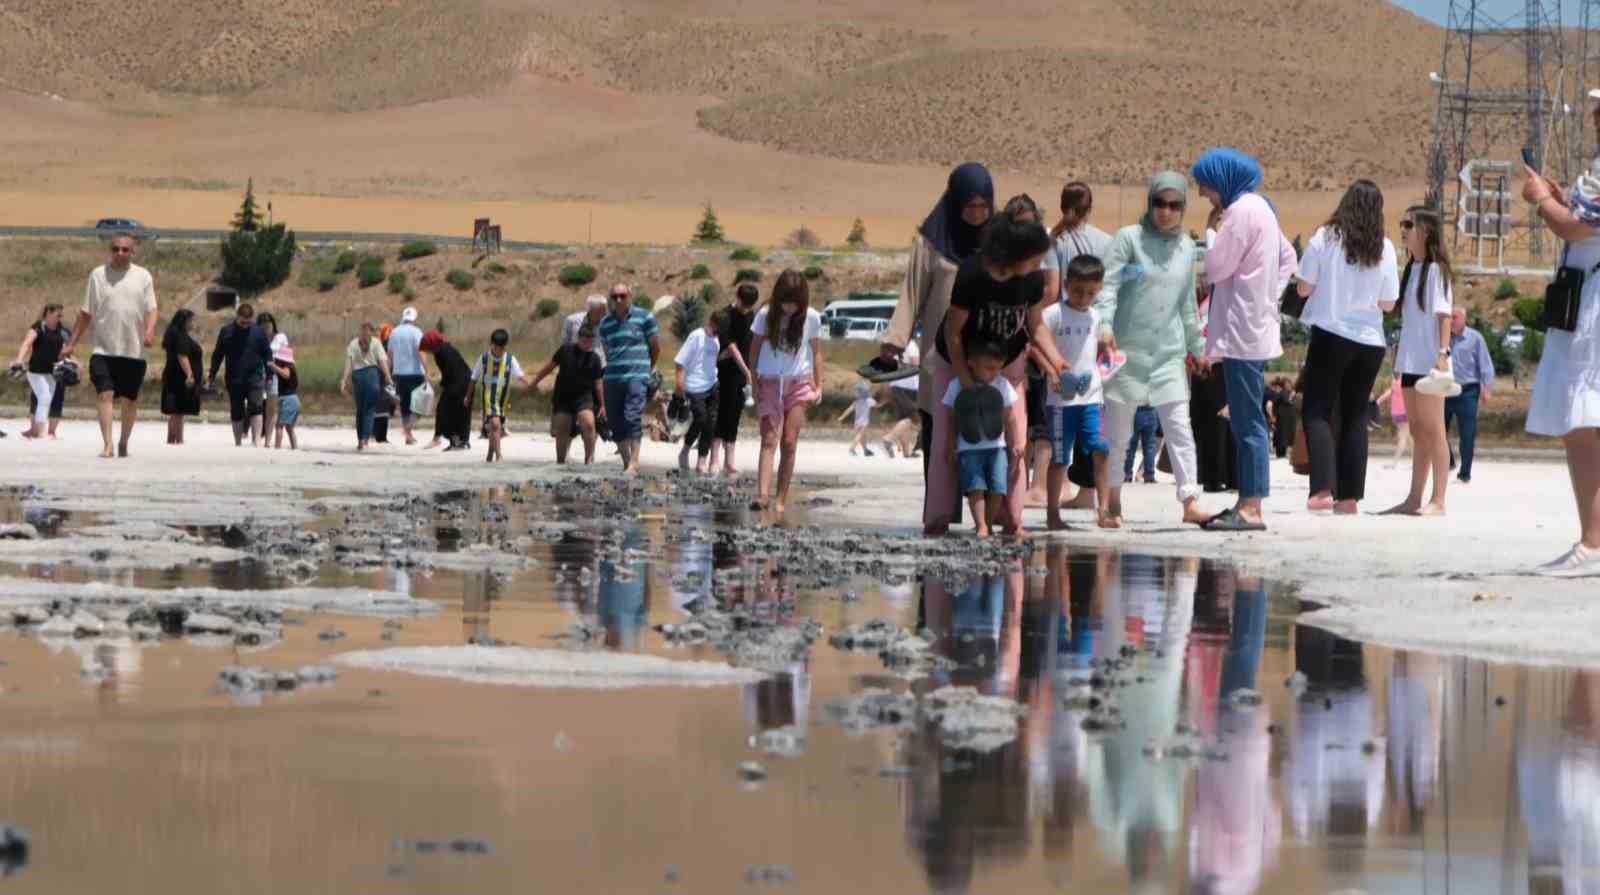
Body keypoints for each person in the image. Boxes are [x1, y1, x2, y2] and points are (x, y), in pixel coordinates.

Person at [924, 210, 1058, 535]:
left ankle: (1012, 519)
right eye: (1035, 259)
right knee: (948, 437)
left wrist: (1056, 359)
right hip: (959, 360)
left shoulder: (1031, 280)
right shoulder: (973, 272)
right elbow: (954, 332)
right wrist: (966, 382)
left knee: (1015, 440)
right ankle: (938, 517)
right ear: (1015, 255)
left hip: (1006, 362)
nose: (1040, 266)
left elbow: (1035, 324)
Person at [1094, 172, 1211, 527]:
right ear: (1149, 203)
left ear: (1183, 209)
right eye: (1160, 203)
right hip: (1126, 352)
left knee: (1179, 428)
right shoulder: (1128, 239)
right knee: (1119, 433)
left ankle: (1190, 500)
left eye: (1175, 205)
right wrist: (1104, 326)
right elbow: (1108, 286)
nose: (1166, 211)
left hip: (1168, 354)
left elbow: (1188, 306)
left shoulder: (1187, 248)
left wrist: (1198, 347)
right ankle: (1111, 501)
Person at [1192, 147, 1298, 532]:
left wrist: (1209, 231)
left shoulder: (1238, 213)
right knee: (1248, 417)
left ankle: (1251, 506)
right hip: (1253, 327)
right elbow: (1288, 258)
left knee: (1248, 420)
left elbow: (1217, 267)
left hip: (1241, 332)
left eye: (1206, 185)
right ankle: (1247, 501)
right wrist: (1269, 296)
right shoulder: (1262, 210)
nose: (1204, 193)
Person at [882, 162, 995, 493]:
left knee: (985, 431)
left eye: (983, 206)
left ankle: (984, 511)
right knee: (939, 428)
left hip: (987, 353)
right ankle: (940, 506)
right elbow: (912, 293)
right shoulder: (930, 243)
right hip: (940, 353)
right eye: (969, 205)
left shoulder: (997, 241)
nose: (976, 213)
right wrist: (896, 339)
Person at [1295, 179, 1400, 515]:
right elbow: (1388, 302)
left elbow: (1303, 287)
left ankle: (1323, 488)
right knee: (1356, 415)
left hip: (1331, 332)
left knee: (1318, 410)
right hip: (1370, 341)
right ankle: (1349, 497)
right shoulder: (1384, 247)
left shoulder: (1325, 238)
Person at [1519, 163, 1600, 576]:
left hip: (1592, 304)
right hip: (1587, 293)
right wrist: (1562, 198)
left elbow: (1577, 228)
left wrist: (1544, 201)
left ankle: (1594, 541)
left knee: (1582, 420)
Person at [1381, 207, 1455, 517]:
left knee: (1434, 428)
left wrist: (1442, 354)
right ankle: (1414, 497)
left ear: (1425, 231)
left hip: (1430, 362)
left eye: (1409, 224)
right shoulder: (1412, 269)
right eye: (1403, 222)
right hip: (1410, 360)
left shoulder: (1437, 270)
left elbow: (1444, 316)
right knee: (1417, 430)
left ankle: (1438, 499)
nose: (1403, 228)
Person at [60, 232, 159, 459]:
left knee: (129, 400)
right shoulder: (97, 275)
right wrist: (71, 343)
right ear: (110, 251)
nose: (120, 253)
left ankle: (124, 442)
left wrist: (150, 330)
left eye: (125, 249)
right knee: (105, 394)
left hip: (133, 351)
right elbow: (86, 313)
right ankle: (108, 444)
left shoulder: (143, 276)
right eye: (115, 249)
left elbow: (152, 308)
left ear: (132, 252)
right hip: (103, 349)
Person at [1043, 254, 1113, 530]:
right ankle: (1052, 513)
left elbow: (1104, 349)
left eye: (1091, 293)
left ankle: (1104, 510)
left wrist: (1110, 353)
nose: (1084, 297)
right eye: (1077, 291)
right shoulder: (1053, 314)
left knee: (1101, 448)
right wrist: (1051, 371)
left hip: (1092, 399)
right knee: (1060, 456)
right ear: (1065, 284)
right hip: (1060, 402)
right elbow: (1037, 345)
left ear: (1099, 289)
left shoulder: (1097, 317)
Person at [751, 270, 825, 514]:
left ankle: (780, 499)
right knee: (769, 438)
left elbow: (816, 352)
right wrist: (753, 382)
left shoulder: (811, 318)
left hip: (799, 382)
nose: (789, 307)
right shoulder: (764, 315)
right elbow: (753, 350)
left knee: (790, 442)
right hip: (769, 380)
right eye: (785, 301)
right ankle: (762, 495)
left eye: (794, 302)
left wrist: (819, 384)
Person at [941, 338, 1020, 538]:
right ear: (971, 363)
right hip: (968, 448)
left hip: (997, 447)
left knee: (998, 488)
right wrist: (950, 444)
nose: (994, 372)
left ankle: (990, 523)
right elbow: (951, 418)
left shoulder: (1002, 384)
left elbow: (1010, 417)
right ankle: (981, 525)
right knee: (975, 487)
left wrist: (1016, 443)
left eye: (997, 368)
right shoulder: (957, 385)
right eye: (989, 367)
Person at [676, 308, 750, 474]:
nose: (720, 334)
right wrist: (680, 387)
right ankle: (686, 449)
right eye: (719, 329)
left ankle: (702, 461)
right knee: (701, 419)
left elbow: (711, 360)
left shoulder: (716, 340)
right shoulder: (696, 336)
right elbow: (680, 362)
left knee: (711, 424)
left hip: (712, 385)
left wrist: (724, 356)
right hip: (694, 387)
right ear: (713, 322)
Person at [597, 282, 660, 475]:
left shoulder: (645, 317)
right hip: (612, 377)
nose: (618, 300)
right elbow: (607, 351)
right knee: (615, 422)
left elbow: (655, 347)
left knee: (632, 417)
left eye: (622, 295)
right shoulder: (605, 323)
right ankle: (626, 463)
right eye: (614, 296)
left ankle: (635, 461)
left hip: (637, 374)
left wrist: (647, 369)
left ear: (630, 296)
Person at [530, 322, 605, 464]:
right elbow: (549, 368)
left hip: (584, 397)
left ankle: (589, 460)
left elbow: (598, 383)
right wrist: (534, 382)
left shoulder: (595, 358)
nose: (587, 342)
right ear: (579, 337)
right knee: (562, 429)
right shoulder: (565, 351)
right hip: (563, 396)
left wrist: (602, 404)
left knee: (589, 424)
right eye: (584, 339)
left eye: (590, 340)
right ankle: (560, 461)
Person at [206, 302, 272, 448]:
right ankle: (238, 442)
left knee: (256, 407)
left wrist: (269, 376)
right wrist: (212, 374)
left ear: (252, 319)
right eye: (242, 322)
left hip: (255, 377)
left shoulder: (259, 332)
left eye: (248, 323)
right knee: (236, 409)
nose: (244, 326)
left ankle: (256, 441)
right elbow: (218, 355)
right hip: (234, 377)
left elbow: (268, 354)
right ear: (237, 317)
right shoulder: (226, 331)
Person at [711, 283, 759, 476]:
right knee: (721, 413)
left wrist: (750, 372)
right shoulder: (725, 315)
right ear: (737, 298)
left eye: (749, 305)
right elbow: (731, 347)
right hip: (724, 372)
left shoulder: (752, 316)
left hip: (742, 373)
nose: (746, 308)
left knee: (735, 415)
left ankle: (729, 461)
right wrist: (748, 372)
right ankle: (714, 459)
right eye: (744, 304)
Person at [1444, 307, 1495, 484]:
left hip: (1468, 391)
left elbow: (1485, 365)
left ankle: (1464, 473)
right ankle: (1448, 461)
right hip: (1445, 389)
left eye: (1455, 317)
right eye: (1449, 317)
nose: (1451, 320)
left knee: (1467, 433)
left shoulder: (1475, 338)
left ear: (1464, 319)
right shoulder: (1443, 337)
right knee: (1438, 430)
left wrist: (1486, 389)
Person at [469, 328, 533, 464]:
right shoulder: (484, 358)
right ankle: (499, 456)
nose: (498, 350)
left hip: (503, 400)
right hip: (488, 398)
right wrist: (468, 396)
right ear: (491, 344)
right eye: (496, 346)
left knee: (495, 428)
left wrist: (532, 384)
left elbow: (520, 375)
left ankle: (489, 455)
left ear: (505, 346)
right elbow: (474, 377)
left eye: (501, 347)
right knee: (495, 424)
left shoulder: (510, 359)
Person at [11, 303, 69, 440]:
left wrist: (75, 363)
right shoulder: (38, 327)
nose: (59, 318)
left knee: (47, 400)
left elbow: (66, 350)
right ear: (48, 312)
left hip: (51, 373)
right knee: (44, 397)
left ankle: (36, 430)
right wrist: (19, 359)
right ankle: (41, 432)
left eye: (61, 315)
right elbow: (26, 343)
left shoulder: (61, 330)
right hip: (35, 372)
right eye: (57, 315)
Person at [339, 321, 394, 451]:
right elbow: (382, 361)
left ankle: (360, 440)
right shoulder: (376, 342)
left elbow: (349, 363)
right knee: (369, 410)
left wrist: (343, 380)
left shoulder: (353, 343)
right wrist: (388, 375)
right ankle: (364, 439)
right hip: (372, 376)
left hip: (357, 377)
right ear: (373, 331)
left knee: (360, 410)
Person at [421, 329, 472, 451]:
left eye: (426, 348)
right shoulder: (443, 349)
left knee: (447, 411)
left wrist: (443, 386)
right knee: (457, 412)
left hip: (460, 383)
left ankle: (453, 440)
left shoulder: (441, 352)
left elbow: (451, 371)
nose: (426, 351)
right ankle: (458, 441)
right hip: (462, 382)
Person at [159, 309, 202, 446]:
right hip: (179, 377)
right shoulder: (181, 336)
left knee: (176, 411)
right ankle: (178, 439)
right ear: (185, 321)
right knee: (178, 410)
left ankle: (173, 439)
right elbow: (182, 356)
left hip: (172, 376)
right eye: (191, 320)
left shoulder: (173, 333)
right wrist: (189, 374)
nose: (193, 323)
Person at [389, 306, 426, 445]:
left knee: (405, 405)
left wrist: (389, 373)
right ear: (414, 318)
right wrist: (427, 370)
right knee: (421, 406)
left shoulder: (394, 332)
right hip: (415, 373)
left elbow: (390, 354)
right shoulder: (417, 332)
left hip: (398, 373)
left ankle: (408, 435)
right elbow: (420, 352)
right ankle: (407, 430)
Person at [883, 338, 921, 459]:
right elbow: (916, 364)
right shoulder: (912, 346)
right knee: (913, 418)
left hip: (895, 385)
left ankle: (906, 451)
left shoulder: (894, 346)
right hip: (909, 386)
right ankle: (889, 438)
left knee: (903, 418)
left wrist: (887, 385)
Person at [1374, 371, 1411, 467]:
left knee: (1409, 437)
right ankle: (1395, 463)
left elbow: (1389, 392)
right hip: (1405, 412)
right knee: (1404, 436)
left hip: (1396, 413)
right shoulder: (1404, 380)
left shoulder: (1394, 381)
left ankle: (1415, 462)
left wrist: (1378, 401)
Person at [257, 313, 282, 449]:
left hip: (275, 373)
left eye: (269, 323)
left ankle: (268, 439)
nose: (266, 326)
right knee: (257, 405)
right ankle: (257, 436)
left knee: (271, 408)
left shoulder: (280, 338)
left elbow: (286, 355)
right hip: (258, 372)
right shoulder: (255, 338)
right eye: (263, 324)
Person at [561, 294, 609, 362]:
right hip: (576, 364)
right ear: (590, 310)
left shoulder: (608, 324)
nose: (605, 313)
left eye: (605, 310)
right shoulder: (572, 321)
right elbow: (564, 344)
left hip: (600, 366)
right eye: (602, 310)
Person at [270, 344, 300, 450]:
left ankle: (277, 447)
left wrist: (275, 367)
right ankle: (294, 447)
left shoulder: (287, 368)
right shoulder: (289, 368)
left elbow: (286, 375)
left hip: (288, 400)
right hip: (292, 400)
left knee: (279, 425)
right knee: (289, 428)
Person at [839, 381, 878, 457]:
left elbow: (848, 410)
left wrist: (841, 417)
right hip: (864, 422)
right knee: (860, 435)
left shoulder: (856, 402)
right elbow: (877, 404)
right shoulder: (869, 401)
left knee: (862, 436)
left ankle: (865, 450)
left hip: (856, 422)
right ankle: (852, 449)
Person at [1124, 406, 1160, 483]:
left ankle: (1127, 474)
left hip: (1134, 410)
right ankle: (1149, 475)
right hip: (1151, 410)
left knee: (1130, 446)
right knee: (1150, 446)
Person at [373, 323, 395, 444]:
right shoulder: (383, 345)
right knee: (383, 408)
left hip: (380, 378)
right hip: (383, 379)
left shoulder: (376, 344)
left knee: (379, 408)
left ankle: (376, 435)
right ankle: (381, 437)